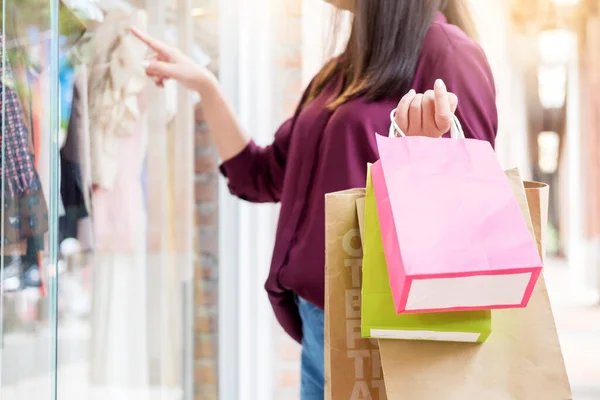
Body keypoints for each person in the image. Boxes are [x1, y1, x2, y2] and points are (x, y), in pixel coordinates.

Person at [131, 0, 497, 398]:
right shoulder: (340, 72)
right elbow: (262, 175)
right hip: (320, 327)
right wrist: (205, 85)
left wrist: (422, 155)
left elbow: (472, 208)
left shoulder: (449, 53)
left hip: (384, 336)